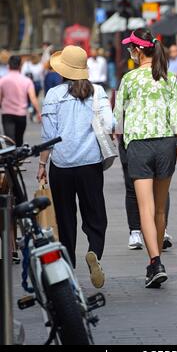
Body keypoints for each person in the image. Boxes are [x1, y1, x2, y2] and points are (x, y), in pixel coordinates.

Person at [114, 28, 177, 289]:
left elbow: (117, 120)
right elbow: (176, 116)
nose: (130, 53)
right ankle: (155, 263)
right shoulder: (169, 78)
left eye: (130, 49)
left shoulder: (129, 79)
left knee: (144, 208)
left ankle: (155, 261)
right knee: (159, 208)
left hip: (139, 145)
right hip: (167, 144)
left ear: (137, 50)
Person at [37, 45, 114, 289]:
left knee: (65, 217)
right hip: (90, 164)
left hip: (61, 164)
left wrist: (41, 163)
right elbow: (110, 124)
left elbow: (48, 134)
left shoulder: (53, 94)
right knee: (95, 214)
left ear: (62, 70)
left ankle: (68, 268)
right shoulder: (98, 91)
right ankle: (94, 251)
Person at [118, 135, 175, 251]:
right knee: (132, 187)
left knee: (160, 187)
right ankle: (135, 231)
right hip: (133, 138)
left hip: (161, 138)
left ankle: (161, 231)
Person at [0, 55, 41, 146]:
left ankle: (11, 158)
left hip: (7, 114)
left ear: (8, 65)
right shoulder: (27, 81)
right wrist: (38, 112)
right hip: (21, 114)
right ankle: (18, 159)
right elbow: (33, 98)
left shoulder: (2, 80)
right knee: (19, 141)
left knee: (9, 141)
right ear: (20, 66)